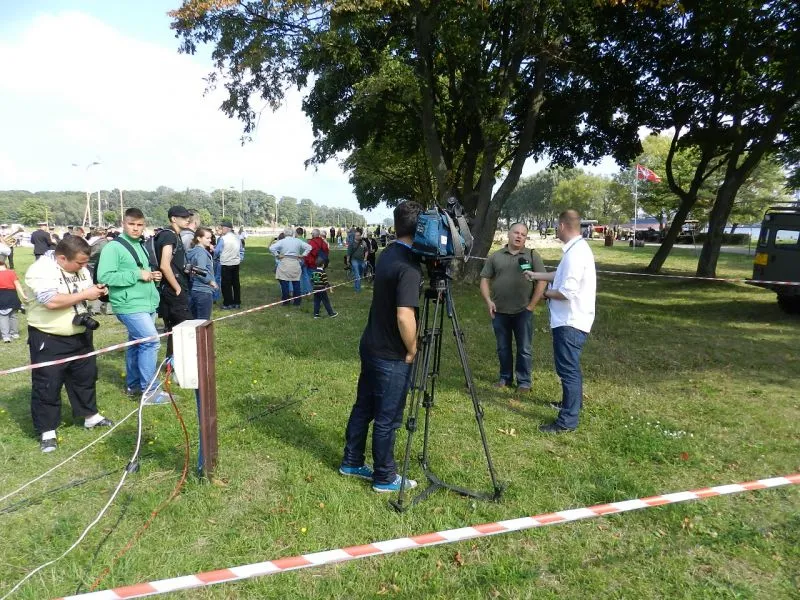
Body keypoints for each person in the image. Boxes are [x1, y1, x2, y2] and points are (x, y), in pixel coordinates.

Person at [339, 200, 423, 493]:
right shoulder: (409, 267)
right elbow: (404, 315)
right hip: (391, 353)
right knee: (388, 417)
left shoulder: (388, 253)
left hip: (372, 344)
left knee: (364, 406)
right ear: (420, 229)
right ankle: (385, 476)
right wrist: (412, 348)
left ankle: (352, 461)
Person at [22, 236, 114, 452]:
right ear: (62, 258)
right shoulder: (40, 270)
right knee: (47, 384)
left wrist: (97, 291)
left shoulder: (81, 268)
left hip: (80, 333)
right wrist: (86, 293)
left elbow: (85, 292)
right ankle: (47, 431)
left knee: (85, 377)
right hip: (49, 337)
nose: (84, 267)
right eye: (80, 263)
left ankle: (90, 416)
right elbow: (51, 301)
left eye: (85, 263)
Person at [524, 210, 596, 433]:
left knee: (567, 370)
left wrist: (543, 294)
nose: (556, 229)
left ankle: (567, 421)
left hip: (570, 321)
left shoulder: (575, 254)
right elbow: (560, 274)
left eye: (557, 225)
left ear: (563, 226)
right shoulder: (576, 250)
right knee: (570, 367)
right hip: (572, 319)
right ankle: (571, 404)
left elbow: (566, 292)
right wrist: (536, 276)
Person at [97, 208, 169, 404]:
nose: (136, 228)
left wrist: (152, 276)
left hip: (146, 302)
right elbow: (104, 276)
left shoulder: (141, 245)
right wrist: (137, 275)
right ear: (123, 223)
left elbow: (141, 272)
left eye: (139, 225)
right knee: (151, 342)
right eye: (132, 224)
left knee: (137, 344)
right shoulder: (113, 248)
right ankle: (150, 391)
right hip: (129, 304)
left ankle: (134, 385)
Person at [479, 223, 547, 393]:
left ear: (526, 238)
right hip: (499, 311)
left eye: (523, 234)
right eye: (516, 233)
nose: (519, 236)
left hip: (523, 311)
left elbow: (542, 280)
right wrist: (488, 301)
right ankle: (505, 378)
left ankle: (524, 382)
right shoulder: (495, 256)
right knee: (503, 347)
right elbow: (484, 279)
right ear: (509, 234)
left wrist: (531, 305)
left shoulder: (532, 255)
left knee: (524, 348)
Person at [155, 206, 194, 355]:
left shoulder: (173, 235)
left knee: (175, 330)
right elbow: (164, 265)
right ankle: (180, 362)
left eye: (188, 217)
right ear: (173, 219)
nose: (187, 220)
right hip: (172, 290)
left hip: (171, 288)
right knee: (186, 327)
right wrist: (177, 288)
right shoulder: (169, 236)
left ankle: (172, 362)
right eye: (183, 217)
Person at [269, 227, 311, 306]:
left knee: (284, 283)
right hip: (295, 262)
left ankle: (286, 301)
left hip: (285, 262)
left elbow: (271, 248)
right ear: (292, 233)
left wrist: (277, 255)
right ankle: (297, 301)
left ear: (285, 233)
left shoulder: (282, 241)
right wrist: (303, 255)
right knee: (296, 283)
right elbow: (309, 247)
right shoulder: (298, 241)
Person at [187, 227, 218, 319]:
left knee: (195, 320)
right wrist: (210, 281)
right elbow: (199, 271)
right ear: (199, 238)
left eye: (210, 238)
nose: (210, 240)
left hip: (194, 289)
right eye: (207, 238)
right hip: (203, 291)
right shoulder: (201, 253)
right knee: (203, 321)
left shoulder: (193, 251)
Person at [213, 219, 242, 309]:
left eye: (223, 227)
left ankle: (227, 303)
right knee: (236, 284)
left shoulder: (223, 238)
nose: (222, 229)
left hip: (226, 263)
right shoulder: (237, 238)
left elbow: (217, 251)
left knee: (226, 284)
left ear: (227, 228)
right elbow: (241, 249)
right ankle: (237, 302)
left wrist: (213, 249)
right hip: (236, 263)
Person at [0, 252, 26, 342]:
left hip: (1, 297)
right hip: (13, 296)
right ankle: (15, 333)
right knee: (13, 315)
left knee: (3, 316)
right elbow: (17, 285)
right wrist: (23, 295)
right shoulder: (11, 273)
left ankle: (6, 336)